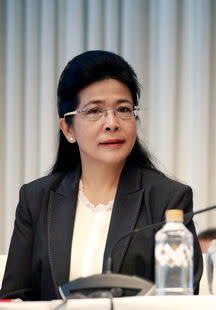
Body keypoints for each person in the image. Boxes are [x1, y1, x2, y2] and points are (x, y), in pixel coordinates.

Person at [0, 50, 203, 300]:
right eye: (95, 111)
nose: (112, 123)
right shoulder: (37, 199)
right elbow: (13, 297)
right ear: (68, 128)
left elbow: (182, 297)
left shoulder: (167, 198)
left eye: (123, 109)